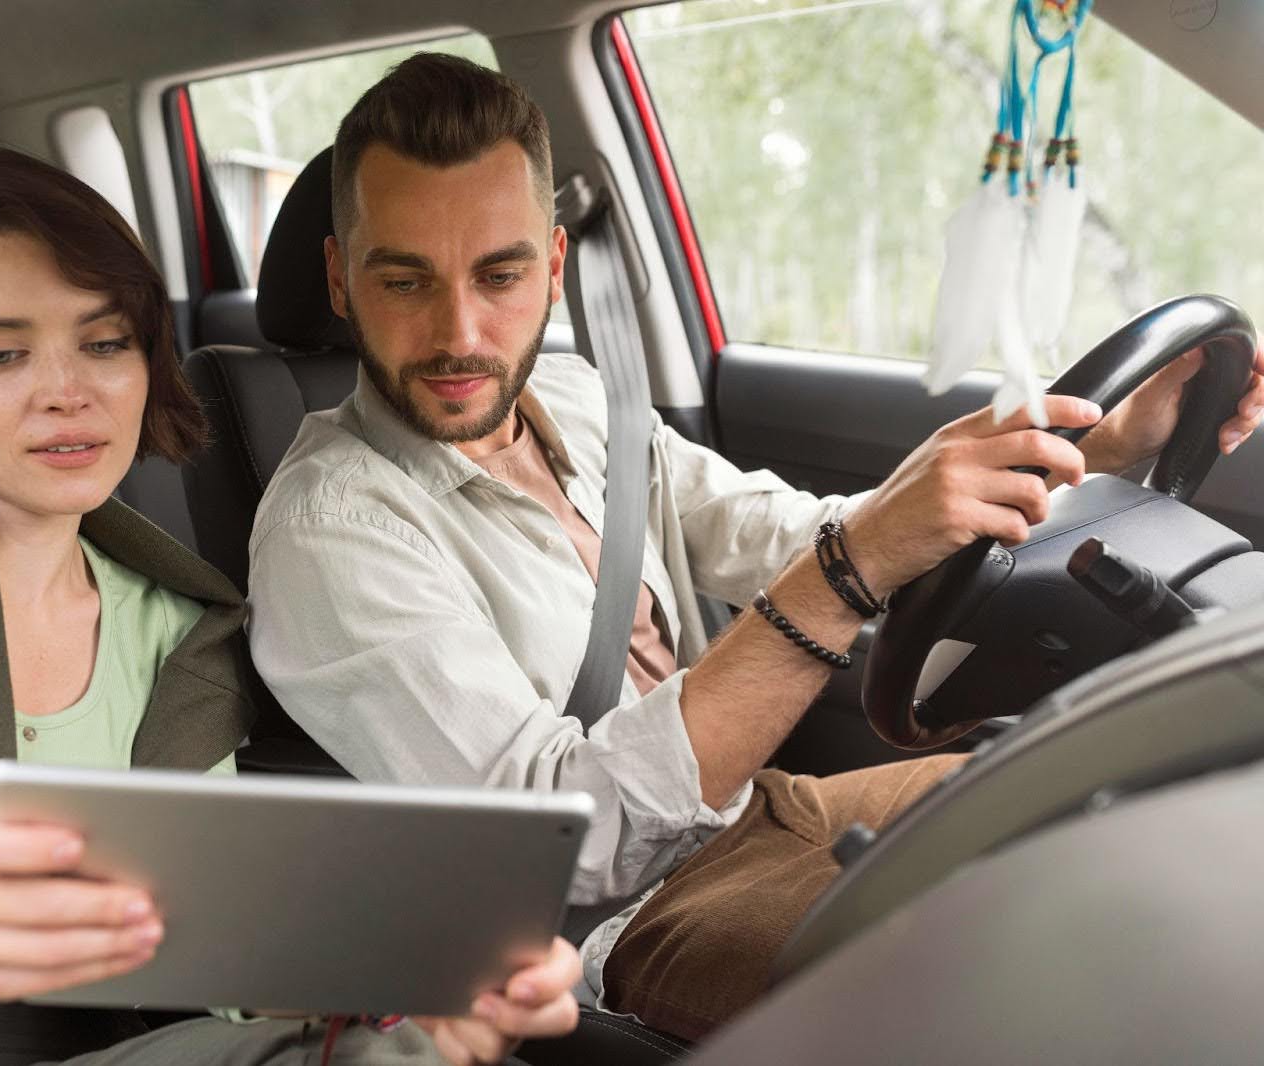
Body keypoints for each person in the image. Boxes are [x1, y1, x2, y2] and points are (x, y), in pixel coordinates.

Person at [245, 53, 1264, 1042]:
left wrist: (1096, 449)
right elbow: (562, 843)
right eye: (405, 280)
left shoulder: (573, 398)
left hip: (766, 810)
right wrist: (842, 575)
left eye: (500, 273)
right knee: (1048, 987)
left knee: (1132, 824)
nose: (460, 331)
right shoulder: (332, 526)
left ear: (553, 265)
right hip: (608, 929)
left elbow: (776, 534)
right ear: (339, 278)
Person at [0, 148, 579, 1066]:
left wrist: (419, 987)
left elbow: (209, 962)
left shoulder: (175, 620)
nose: (70, 392)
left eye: (107, 343)